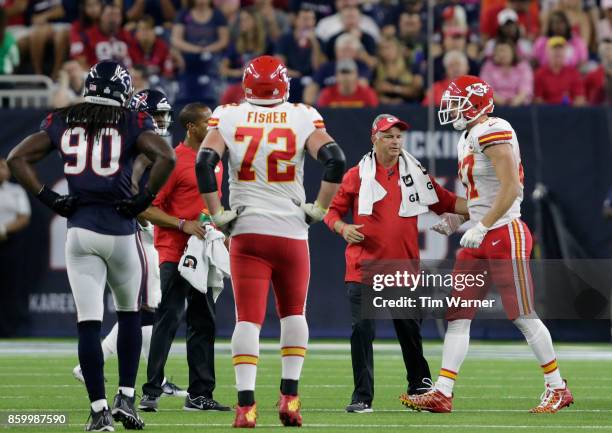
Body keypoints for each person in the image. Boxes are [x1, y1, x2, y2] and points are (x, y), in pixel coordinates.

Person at [7, 60, 176, 431]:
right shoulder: (133, 121)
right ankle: (127, 399)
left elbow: (16, 157)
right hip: (120, 230)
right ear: (124, 90)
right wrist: (142, 199)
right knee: (130, 314)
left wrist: (49, 198)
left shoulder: (62, 119)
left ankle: (99, 411)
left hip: (80, 230)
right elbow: (166, 156)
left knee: (89, 323)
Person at [401, 75, 574, 414]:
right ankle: (443, 391)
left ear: (476, 104)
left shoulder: (493, 129)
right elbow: (478, 198)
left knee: (522, 314)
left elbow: (511, 187)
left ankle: (557, 387)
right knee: (458, 315)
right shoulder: (468, 137)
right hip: (482, 235)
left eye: (456, 102)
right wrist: (458, 218)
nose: (450, 109)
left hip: (505, 232)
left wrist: (481, 225)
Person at [195, 55, 346, 428]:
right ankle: (290, 399)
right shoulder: (301, 115)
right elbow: (335, 159)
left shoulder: (228, 115)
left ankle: (246, 406)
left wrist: (217, 213)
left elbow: (203, 162)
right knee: (294, 314)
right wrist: (319, 208)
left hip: (247, 230)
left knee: (248, 320)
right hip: (291, 231)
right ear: (283, 85)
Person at [323, 114, 467, 413]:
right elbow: (330, 212)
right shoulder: (356, 175)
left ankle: (420, 387)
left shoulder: (415, 174)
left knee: (409, 331)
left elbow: (448, 202)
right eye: (389, 136)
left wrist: (485, 203)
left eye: (399, 136)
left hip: (403, 268)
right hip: (364, 266)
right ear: (374, 138)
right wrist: (342, 228)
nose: (396, 141)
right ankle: (362, 396)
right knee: (362, 332)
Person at [72, 89, 186, 400]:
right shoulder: (140, 145)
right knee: (144, 308)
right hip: (134, 231)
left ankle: (146, 375)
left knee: (142, 308)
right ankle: (152, 379)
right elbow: (135, 190)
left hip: (133, 231)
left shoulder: (137, 141)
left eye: (164, 114)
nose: (161, 120)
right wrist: (145, 212)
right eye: (156, 114)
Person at [138, 101, 229, 413]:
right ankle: (150, 390)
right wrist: (182, 224)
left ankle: (199, 394)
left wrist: (219, 229)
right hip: (175, 252)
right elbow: (146, 207)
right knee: (168, 319)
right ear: (191, 127)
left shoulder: (215, 160)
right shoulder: (173, 160)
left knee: (204, 323)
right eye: (208, 123)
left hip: (204, 254)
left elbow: (209, 205)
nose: (214, 128)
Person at [0, 157, 30, 337]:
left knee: (9, 287)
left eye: (3, 167)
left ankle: (9, 330)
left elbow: (24, 216)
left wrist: (2, 229)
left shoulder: (16, 191)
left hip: (8, 244)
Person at [71, 3, 138, 68]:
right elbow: (80, 62)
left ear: (121, 18)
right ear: (100, 16)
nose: (113, 19)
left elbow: (137, 61)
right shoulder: (87, 37)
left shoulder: (128, 36)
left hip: (127, 76)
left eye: (116, 15)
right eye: (109, 15)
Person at [479, 39, 533, 106]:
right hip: (495, 106)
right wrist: (501, 101)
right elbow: (485, 88)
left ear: (512, 52)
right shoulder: (488, 66)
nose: (502, 54)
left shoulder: (523, 66)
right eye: (499, 51)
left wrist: (515, 102)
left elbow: (526, 88)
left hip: (519, 106)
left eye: (505, 50)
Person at [534, 36, 585, 105]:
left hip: (570, 112)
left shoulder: (574, 73)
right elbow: (538, 99)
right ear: (547, 52)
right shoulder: (540, 73)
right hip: (546, 113)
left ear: (565, 52)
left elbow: (579, 98)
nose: (558, 51)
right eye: (554, 48)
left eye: (561, 49)